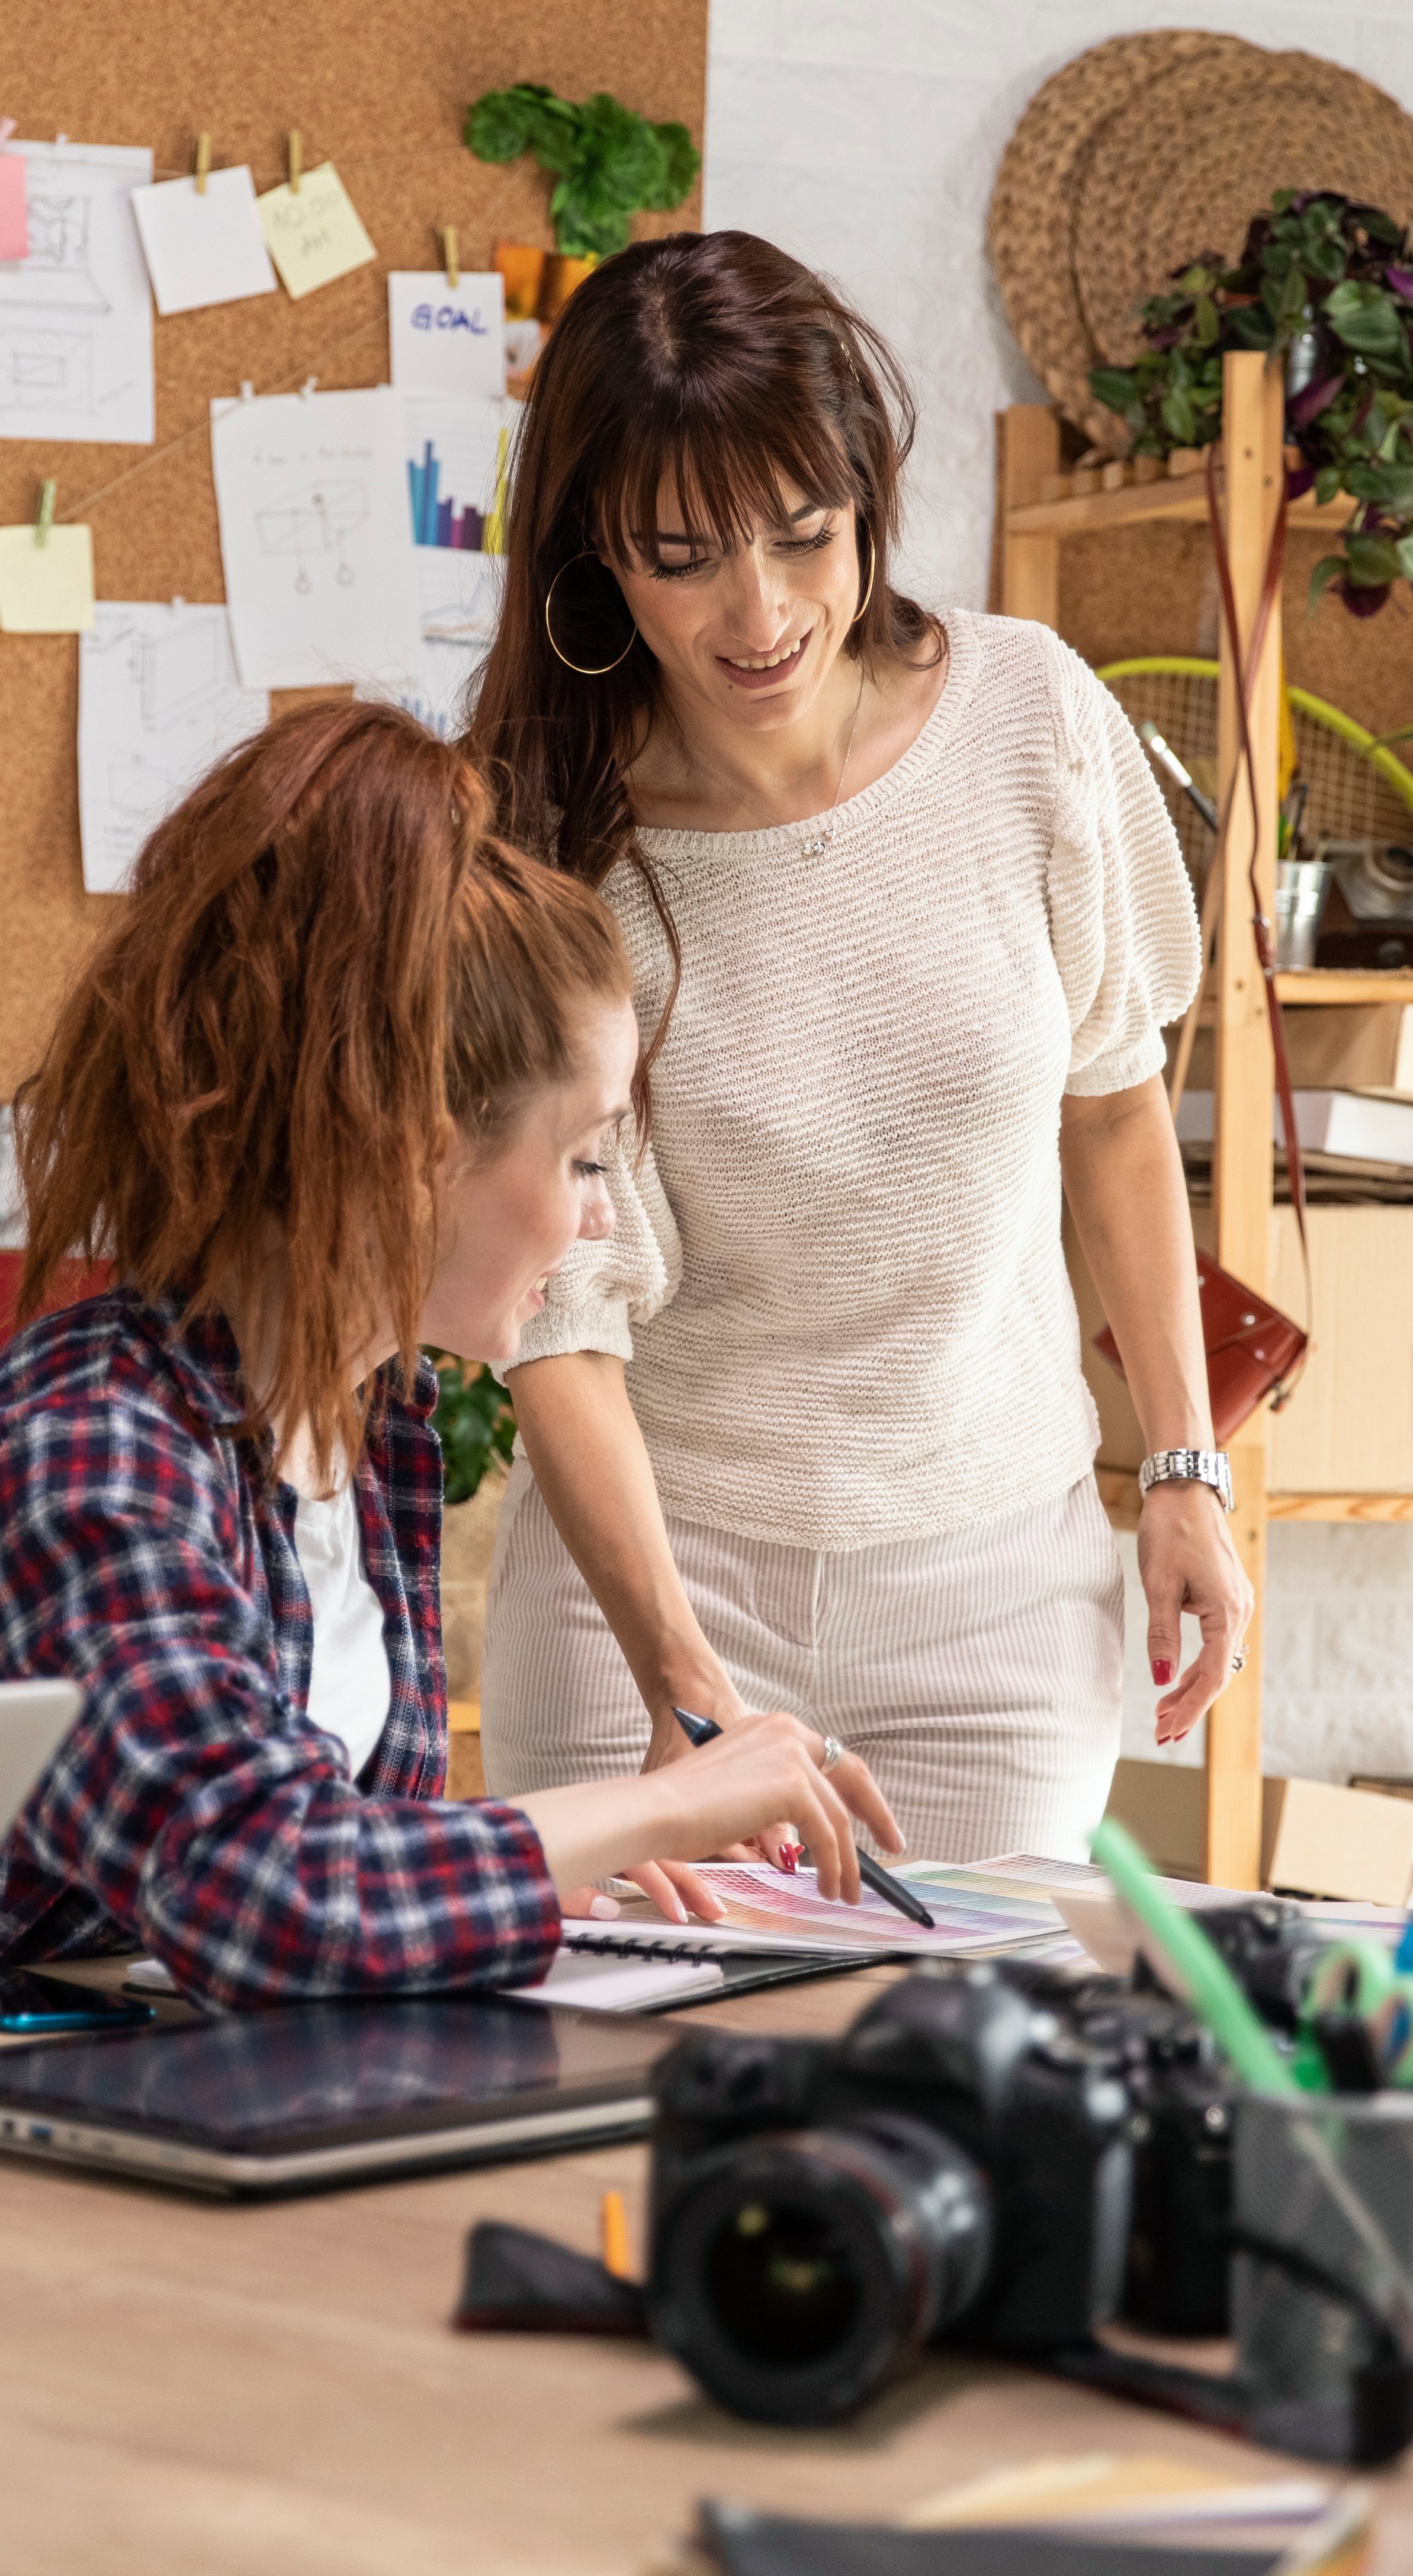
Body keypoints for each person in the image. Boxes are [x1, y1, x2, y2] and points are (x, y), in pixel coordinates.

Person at [0, 702, 907, 2011]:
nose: (601, 1217)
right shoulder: (87, 1443)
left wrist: (554, 1863)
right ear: (411, 1152)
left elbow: (330, 1850)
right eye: (583, 1158)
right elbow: (267, 1896)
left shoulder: (374, 1420)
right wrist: (652, 1808)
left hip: (201, 2075)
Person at [464, 230, 1245, 1864]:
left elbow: (1112, 1110)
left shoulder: (1030, 719)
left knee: (970, 2030)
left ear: (868, 498)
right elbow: (557, 1321)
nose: (759, 613)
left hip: (996, 1602)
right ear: (597, 554)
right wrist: (685, 1692)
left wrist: (1184, 1467)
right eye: (683, 558)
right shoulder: (547, 841)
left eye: (804, 534)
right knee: (621, 2035)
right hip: (647, 1597)